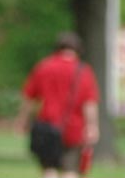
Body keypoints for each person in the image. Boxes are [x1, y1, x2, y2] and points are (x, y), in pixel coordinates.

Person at [14, 32, 100, 178]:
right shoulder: (84, 71)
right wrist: (92, 126)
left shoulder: (44, 67)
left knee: (49, 169)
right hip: (74, 128)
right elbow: (89, 103)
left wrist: (22, 120)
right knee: (71, 170)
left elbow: (29, 98)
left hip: (47, 126)